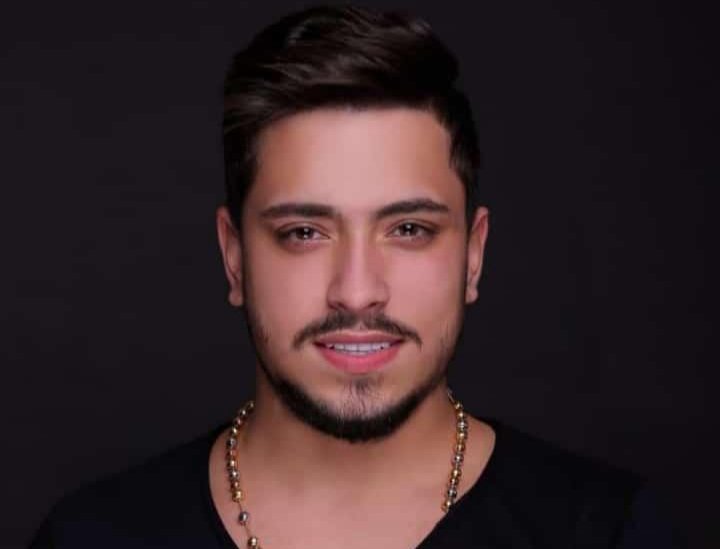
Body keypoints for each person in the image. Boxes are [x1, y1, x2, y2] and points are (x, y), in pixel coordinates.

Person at [29, 6, 676, 548]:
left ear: (473, 256)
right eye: (304, 232)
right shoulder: (92, 537)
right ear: (234, 257)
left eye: (409, 229)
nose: (358, 290)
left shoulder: (609, 532)